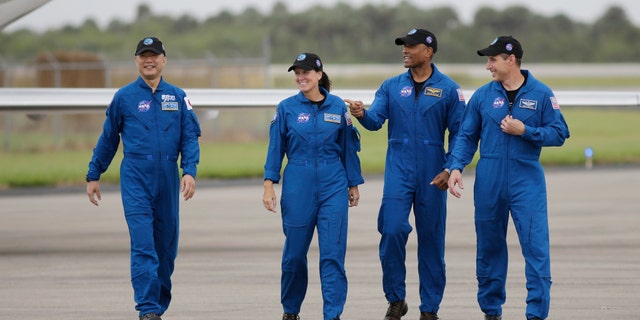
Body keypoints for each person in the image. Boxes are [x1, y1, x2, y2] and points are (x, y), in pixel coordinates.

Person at [446, 35, 570, 320]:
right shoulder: (482, 96)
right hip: (489, 180)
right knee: (489, 248)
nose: (488, 66)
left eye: (492, 59)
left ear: (510, 59)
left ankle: (536, 313)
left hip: (526, 180)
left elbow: (560, 133)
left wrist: (525, 131)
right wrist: (455, 166)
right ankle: (491, 311)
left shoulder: (541, 94)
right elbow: (466, 136)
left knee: (536, 248)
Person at [345, 28, 465, 320]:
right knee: (392, 230)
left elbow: (461, 134)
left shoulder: (449, 90)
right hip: (399, 170)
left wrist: (450, 168)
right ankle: (396, 298)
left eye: (411, 46)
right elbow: (375, 122)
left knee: (431, 240)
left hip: (433, 171)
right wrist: (362, 114)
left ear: (429, 51)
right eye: (403, 46)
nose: (405, 50)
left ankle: (429, 308)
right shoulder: (390, 86)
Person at [85, 36, 201, 320]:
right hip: (136, 175)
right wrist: (94, 173)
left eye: (154, 55)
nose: (148, 60)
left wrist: (190, 171)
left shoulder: (178, 96)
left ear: (164, 60)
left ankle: (158, 305)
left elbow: (189, 137)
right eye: (142, 56)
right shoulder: (124, 98)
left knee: (166, 247)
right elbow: (109, 139)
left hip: (168, 175)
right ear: (136, 60)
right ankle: (148, 309)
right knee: (143, 243)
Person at [262, 52, 364, 320]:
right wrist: (269, 184)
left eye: (306, 72)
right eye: (297, 72)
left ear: (319, 74)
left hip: (334, 183)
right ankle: (291, 310)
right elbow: (275, 149)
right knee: (294, 256)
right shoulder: (286, 109)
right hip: (298, 183)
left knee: (332, 255)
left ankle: (332, 314)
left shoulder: (338, 108)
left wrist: (353, 183)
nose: (301, 77)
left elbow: (348, 149)